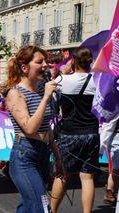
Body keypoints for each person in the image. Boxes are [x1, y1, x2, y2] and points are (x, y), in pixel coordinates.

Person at [6, 45, 63, 212]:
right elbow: (29, 128)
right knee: (42, 206)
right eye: (39, 62)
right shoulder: (15, 94)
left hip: (43, 153)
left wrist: (57, 158)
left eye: (45, 61)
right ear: (24, 68)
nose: (45, 65)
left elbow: (47, 128)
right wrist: (46, 97)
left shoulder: (40, 88)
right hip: (25, 156)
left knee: (28, 205)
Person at [51, 47, 100, 213]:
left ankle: (52, 211)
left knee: (63, 174)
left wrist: (61, 72)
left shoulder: (63, 80)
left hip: (70, 133)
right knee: (87, 177)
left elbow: (49, 89)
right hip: (91, 133)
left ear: (73, 61)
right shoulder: (97, 80)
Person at [99, 115, 119, 205]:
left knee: (115, 168)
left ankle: (110, 192)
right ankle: (110, 192)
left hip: (113, 136)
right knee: (115, 168)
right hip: (115, 136)